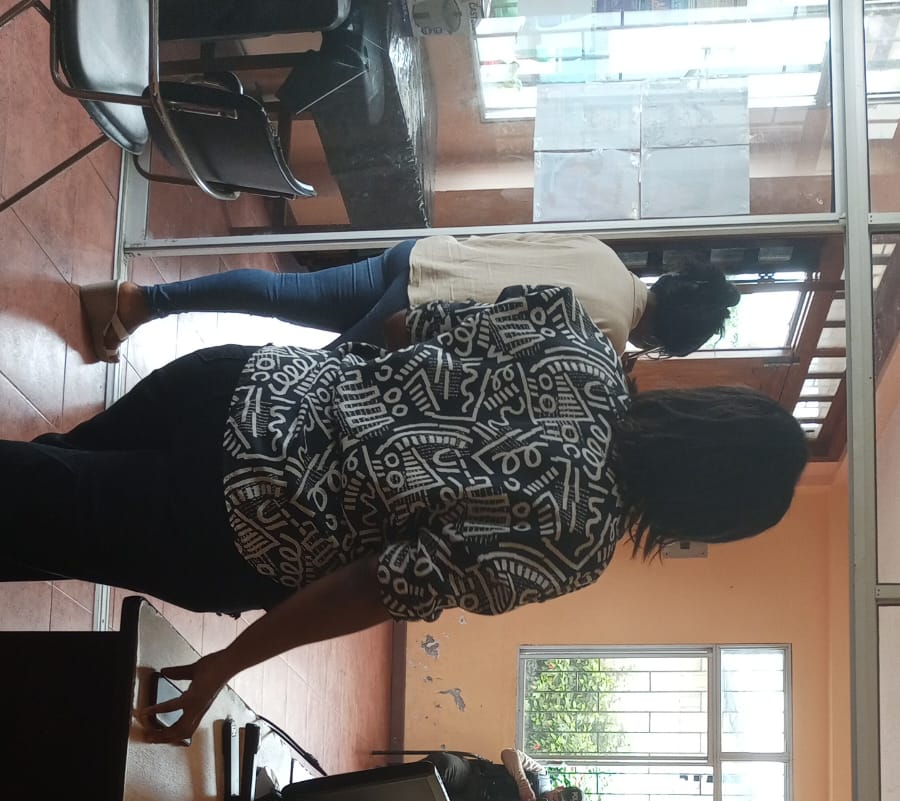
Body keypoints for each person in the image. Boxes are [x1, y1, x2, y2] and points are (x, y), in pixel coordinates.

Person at [1, 286, 808, 744]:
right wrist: (225, 665)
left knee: (46, 489)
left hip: (240, 386)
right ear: (704, 512)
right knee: (36, 505)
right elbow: (375, 586)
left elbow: (403, 326)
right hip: (236, 516)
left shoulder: (585, 348)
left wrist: (391, 412)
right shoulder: (576, 542)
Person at [81, 237, 739, 362]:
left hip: (422, 256)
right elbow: (498, 343)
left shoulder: (603, 255)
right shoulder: (606, 333)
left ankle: (141, 301)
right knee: (286, 381)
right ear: (664, 337)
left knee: (281, 294)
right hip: (415, 317)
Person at [426, 747, 582, 801]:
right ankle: (410, 777)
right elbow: (508, 753)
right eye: (558, 799)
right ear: (560, 788)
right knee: (445, 764)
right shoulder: (541, 774)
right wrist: (523, 784)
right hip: (472, 777)